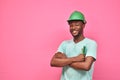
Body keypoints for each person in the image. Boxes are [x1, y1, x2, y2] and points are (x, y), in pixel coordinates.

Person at [50, 11, 97, 80]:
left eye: (77, 25)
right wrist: (75, 59)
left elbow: (86, 66)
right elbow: (53, 62)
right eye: (71, 25)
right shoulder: (64, 44)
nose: (73, 28)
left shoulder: (91, 43)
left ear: (83, 25)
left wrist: (65, 60)